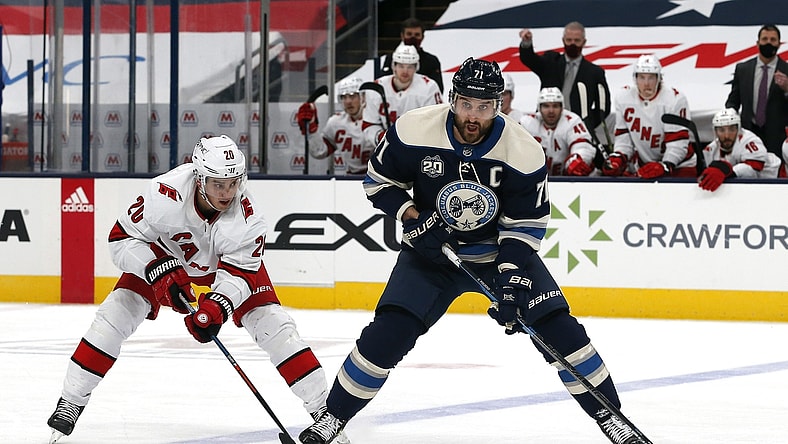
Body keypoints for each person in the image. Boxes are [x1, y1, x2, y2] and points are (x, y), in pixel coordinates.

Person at [299, 58, 643, 444]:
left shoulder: (523, 150)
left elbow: (526, 223)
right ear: (452, 99)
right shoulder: (414, 128)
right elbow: (378, 182)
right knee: (387, 334)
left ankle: (613, 419)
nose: (473, 116)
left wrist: (511, 277)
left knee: (560, 331)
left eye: (484, 107)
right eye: (466, 104)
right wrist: (414, 217)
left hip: (497, 255)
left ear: (499, 104)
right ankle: (332, 418)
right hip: (430, 255)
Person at [46, 135, 349, 444]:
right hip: (165, 258)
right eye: (218, 184)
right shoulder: (164, 193)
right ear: (199, 176)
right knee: (113, 317)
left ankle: (326, 414)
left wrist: (217, 306)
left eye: (233, 183)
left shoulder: (249, 216)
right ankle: (71, 400)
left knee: (276, 328)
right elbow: (120, 239)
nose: (227, 192)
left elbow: (242, 272)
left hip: (224, 269)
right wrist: (156, 268)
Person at [602, 54, 697, 178]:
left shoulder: (674, 99)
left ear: (659, 78)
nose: (646, 84)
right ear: (635, 78)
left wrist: (665, 165)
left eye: (651, 77)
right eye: (642, 77)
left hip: (680, 165)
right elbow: (624, 139)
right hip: (645, 164)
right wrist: (619, 157)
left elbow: (677, 143)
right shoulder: (623, 97)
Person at [518, 22, 611, 128]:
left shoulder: (594, 72)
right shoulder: (550, 61)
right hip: (545, 126)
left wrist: (586, 125)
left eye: (577, 41)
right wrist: (526, 43)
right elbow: (529, 59)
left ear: (584, 42)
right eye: (569, 40)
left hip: (576, 128)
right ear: (563, 41)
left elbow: (604, 106)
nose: (572, 44)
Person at [725, 24, 788, 157]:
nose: (768, 43)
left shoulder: (786, 70)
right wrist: (730, 120)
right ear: (757, 43)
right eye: (765, 39)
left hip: (777, 137)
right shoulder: (743, 69)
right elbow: (733, 101)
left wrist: (787, 89)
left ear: (779, 44)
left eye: (773, 40)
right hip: (748, 133)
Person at [362, 44, 442, 146]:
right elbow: (369, 124)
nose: (405, 71)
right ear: (393, 66)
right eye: (401, 66)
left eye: (410, 66)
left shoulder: (429, 87)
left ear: (416, 67)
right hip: (386, 148)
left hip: (418, 147)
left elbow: (436, 123)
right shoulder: (377, 88)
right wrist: (381, 137)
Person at [297, 77, 375, 175]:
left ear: (363, 97)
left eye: (352, 96)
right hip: (351, 179)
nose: (348, 101)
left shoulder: (376, 119)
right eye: (344, 97)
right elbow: (320, 151)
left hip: (379, 179)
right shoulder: (336, 122)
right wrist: (311, 129)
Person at [699, 108, 782, 191]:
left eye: (731, 129)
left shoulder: (750, 140)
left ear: (738, 129)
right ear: (715, 132)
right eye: (721, 130)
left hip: (777, 179)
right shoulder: (710, 150)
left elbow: (753, 170)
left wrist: (726, 170)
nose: (727, 135)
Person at [520, 87, 597, 176]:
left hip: (569, 181)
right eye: (546, 106)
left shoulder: (572, 121)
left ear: (562, 107)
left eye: (555, 106)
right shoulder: (527, 123)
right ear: (539, 108)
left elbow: (583, 146)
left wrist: (579, 159)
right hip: (536, 181)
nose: (551, 111)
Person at [380, 17, 444, 92]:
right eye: (409, 34)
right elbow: (383, 84)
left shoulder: (431, 61)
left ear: (422, 37)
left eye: (417, 35)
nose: (413, 38)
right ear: (402, 36)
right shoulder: (392, 58)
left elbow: (437, 89)